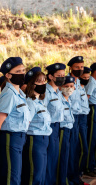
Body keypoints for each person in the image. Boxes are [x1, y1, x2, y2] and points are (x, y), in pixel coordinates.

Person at [0, 57, 31, 185]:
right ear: (8, 75)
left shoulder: (18, 93)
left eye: (23, 70)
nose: (22, 74)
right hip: (9, 139)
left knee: (13, 175)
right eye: (18, 71)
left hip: (18, 138)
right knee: (10, 178)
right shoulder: (9, 95)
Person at [21, 68, 52, 185]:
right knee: (34, 175)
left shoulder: (40, 102)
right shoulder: (30, 102)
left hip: (44, 139)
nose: (43, 85)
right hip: (34, 140)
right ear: (31, 84)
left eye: (44, 82)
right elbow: (26, 123)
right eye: (39, 82)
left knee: (42, 174)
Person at [44, 63, 66, 185]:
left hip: (58, 126)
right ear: (51, 77)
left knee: (54, 158)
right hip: (49, 127)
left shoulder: (58, 91)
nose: (62, 78)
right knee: (49, 159)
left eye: (63, 75)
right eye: (59, 75)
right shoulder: (46, 92)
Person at [67, 56, 84, 184]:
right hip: (69, 119)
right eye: (77, 67)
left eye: (82, 67)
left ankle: (75, 175)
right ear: (71, 68)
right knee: (70, 150)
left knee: (77, 148)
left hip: (78, 117)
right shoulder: (68, 81)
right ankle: (70, 177)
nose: (80, 69)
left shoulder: (78, 82)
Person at [57, 76, 75, 185]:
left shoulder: (69, 98)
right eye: (66, 86)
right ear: (61, 87)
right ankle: (61, 181)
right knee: (62, 157)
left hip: (69, 128)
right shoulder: (59, 98)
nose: (69, 88)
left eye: (71, 86)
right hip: (62, 129)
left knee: (67, 157)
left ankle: (66, 179)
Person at [78, 67, 91, 179]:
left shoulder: (82, 88)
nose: (86, 79)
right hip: (78, 119)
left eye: (88, 77)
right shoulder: (76, 87)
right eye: (84, 77)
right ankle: (79, 172)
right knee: (83, 149)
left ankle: (80, 173)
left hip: (84, 118)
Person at [85, 63, 96, 177]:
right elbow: (86, 98)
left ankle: (92, 164)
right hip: (92, 109)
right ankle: (88, 166)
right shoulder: (92, 82)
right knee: (91, 139)